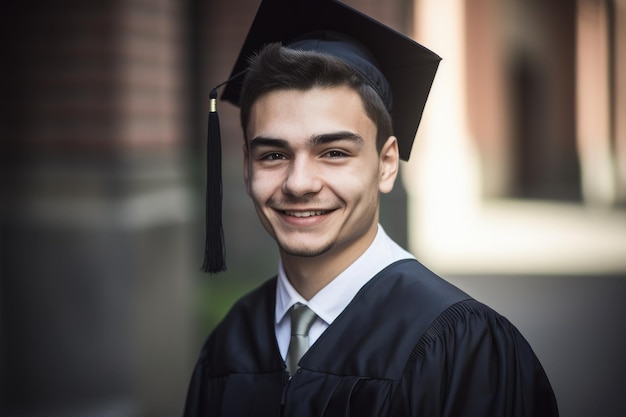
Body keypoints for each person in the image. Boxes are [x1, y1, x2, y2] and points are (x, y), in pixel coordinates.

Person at [184, 0, 559, 415]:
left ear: (386, 164)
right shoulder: (229, 344)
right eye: (273, 155)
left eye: (333, 152)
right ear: (246, 165)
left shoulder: (463, 345)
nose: (299, 183)